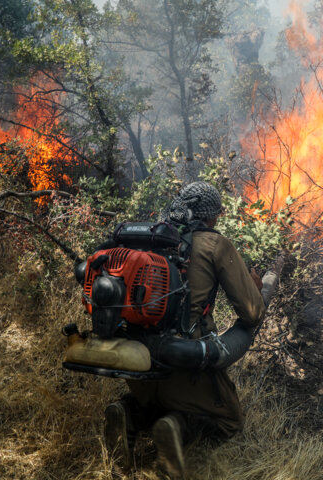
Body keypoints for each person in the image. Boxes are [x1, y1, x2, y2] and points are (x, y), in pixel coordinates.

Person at [104, 181, 265, 479]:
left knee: (152, 401)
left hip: (134, 361)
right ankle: (177, 428)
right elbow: (252, 313)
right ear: (212, 216)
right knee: (230, 423)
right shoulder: (215, 244)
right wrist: (257, 288)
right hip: (186, 362)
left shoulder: (149, 238)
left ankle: (127, 413)